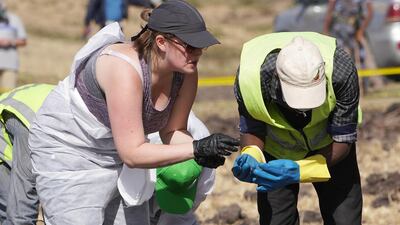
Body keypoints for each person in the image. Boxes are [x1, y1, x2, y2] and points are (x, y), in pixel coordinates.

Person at [28, 1, 238, 224]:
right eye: (190, 46)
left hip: (119, 150)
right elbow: (132, 153)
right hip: (70, 148)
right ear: (161, 42)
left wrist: (201, 155)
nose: (198, 53)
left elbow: (173, 131)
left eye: (202, 46)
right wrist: (196, 149)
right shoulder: (125, 70)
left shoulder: (185, 73)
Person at [232, 32, 362, 225]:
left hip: (330, 148)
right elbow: (253, 127)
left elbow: (343, 140)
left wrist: (300, 170)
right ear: (277, 78)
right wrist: (251, 154)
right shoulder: (252, 78)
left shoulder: (341, 71)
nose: (304, 107)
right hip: (276, 152)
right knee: (277, 220)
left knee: (345, 219)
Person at [0, 83, 54, 225]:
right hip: (23, 121)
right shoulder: (36, 131)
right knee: (16, 209)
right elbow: (22, 211)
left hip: (23, 107)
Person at [323, 0, 383, 94]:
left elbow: (370, 12)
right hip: (340, 35)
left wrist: (361, 31)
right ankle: (350, 89)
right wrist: (326, 31)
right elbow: (330, 12)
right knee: (343, 62)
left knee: (363, 59)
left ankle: (370, 86)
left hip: (356, 32)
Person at [0, 0, 27, 93]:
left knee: (7, 94)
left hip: (9, 64)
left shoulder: (14, 19)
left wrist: (10, 42)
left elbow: (23, 41)